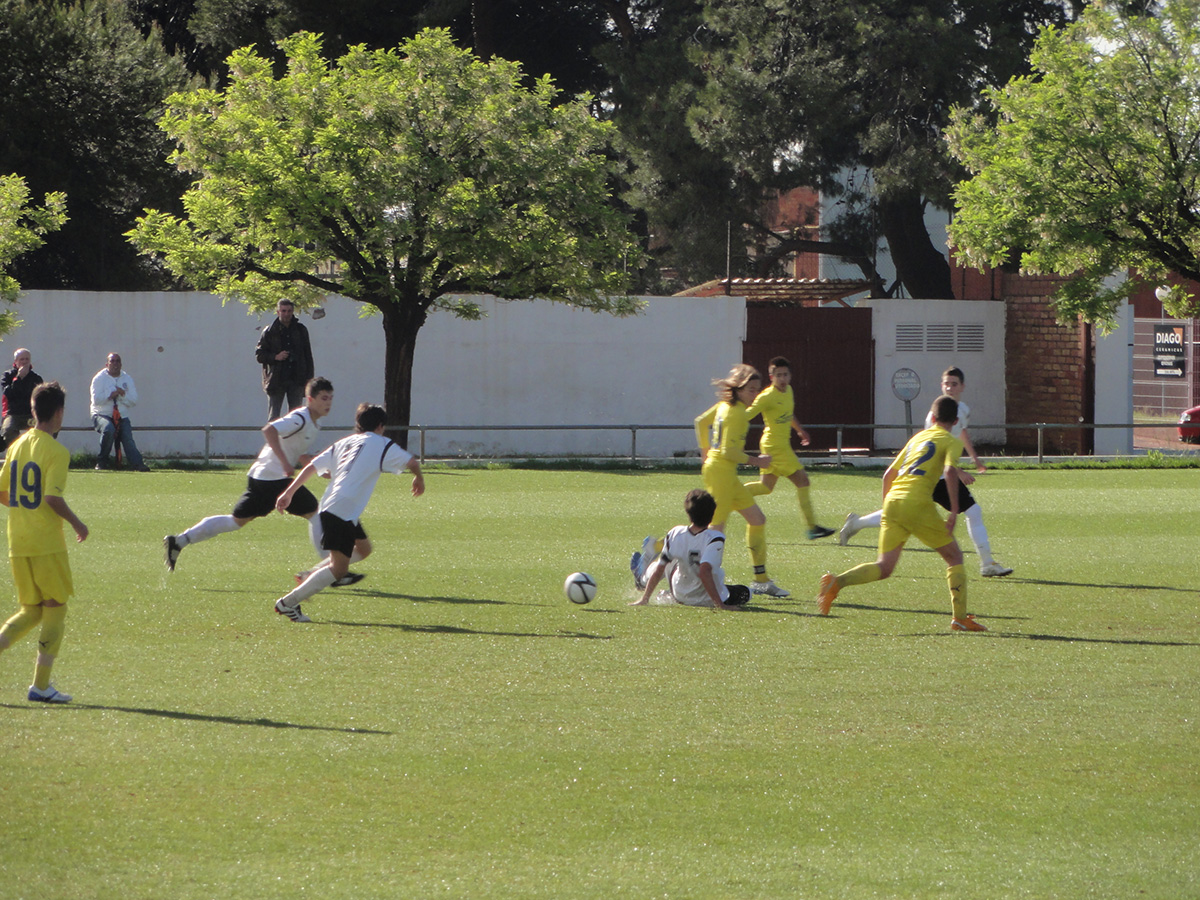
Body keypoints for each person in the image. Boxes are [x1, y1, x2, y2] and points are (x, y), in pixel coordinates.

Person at [816, 394, 987, 632]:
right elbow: (949, 472)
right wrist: (954, 511)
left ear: (933, 417)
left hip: (893, 501)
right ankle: (959, 619)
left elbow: (888, 475)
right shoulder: (951, 441)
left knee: (884, 567)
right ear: (956, 420)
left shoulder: (917, 439)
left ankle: (837, 582)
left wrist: (888, 508)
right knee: (955, 557)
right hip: (917, 504)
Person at [163, 377, 351, 578]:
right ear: (310, 399)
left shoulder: (313, 423)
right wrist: (285, 463)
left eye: (330, 398)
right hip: (273, 479)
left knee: (235, 521)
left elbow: (296, 451)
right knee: (314, 512)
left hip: (262, 478)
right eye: (324, 398)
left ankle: (180, 541)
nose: (328, 403)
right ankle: (330, 571)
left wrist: (317, 469)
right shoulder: (300, 418)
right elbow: (269, 430)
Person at [839, 366, 1012, 577]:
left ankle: (856, 523)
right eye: (946, 383)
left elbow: (961, 433)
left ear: (962, 387)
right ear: (941, 386)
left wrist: (974, 458)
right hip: (935, 476)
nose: (949, 387)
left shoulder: (962, 410)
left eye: (954, 383)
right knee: (970, 511)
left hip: (930, 476)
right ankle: (987, 564)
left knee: (903, 509)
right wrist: (958, 472)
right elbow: (936, 449)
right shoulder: (936, 413)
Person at [272, 402, 425, 623]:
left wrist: (289, 493)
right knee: (339, 569)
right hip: (341, 511)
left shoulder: (343, 443)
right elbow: (411, 461)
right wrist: (418, 477)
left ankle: (309, 575)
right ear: (381, 426)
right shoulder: (382, 443)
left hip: (337, 508)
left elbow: (312, 467)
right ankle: (288, 603)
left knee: (364, 549)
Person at [0, 382, 89, 702]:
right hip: (45, 543)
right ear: (60, 412)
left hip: (17, 541)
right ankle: (40, 686)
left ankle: (41, 685)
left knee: (32, 610)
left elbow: (2, 492)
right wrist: (78, 523)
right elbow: (52, 498)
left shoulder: (17, 445)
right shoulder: (56, 451)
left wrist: (25, 507)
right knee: (55, 609)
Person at [694, 363, 789, 597]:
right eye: (751, 389)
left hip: (724, 473)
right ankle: (662, 556)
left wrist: (705, 451)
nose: (755, 394)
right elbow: (728, 452)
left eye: (757, 390)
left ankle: (761, 580)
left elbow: (700, 422)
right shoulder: (737, 414)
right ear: (738, 389)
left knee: (757, 519)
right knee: (714, 530)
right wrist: (758, 462)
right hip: (721, 474)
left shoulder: (726, 406)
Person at [744, 356, 835, 540]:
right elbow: (746, 414)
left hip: (780, 445)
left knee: (765, 487)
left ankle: (732, 493)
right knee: (803, 481)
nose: (783, 379)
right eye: (778, 375)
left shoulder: (789, 391)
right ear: (771, 377)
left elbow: (789, 414)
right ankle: (811, 527)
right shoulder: (766, 396)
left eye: (785, 375)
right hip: (774, 447)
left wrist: (800, 430)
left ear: (790, 376)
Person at [630, 489, 750, 609]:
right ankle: (659, 589)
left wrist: (645, 598)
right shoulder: (715, 538)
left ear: (688, 513)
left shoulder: (675, 533)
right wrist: (720, 604)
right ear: (713, 513)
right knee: (746, 593)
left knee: (668, 560)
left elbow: (660, 568)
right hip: (705, 598)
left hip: (679, 594)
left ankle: (646, 581)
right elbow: (704, 571)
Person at [256, 299, 315, 421]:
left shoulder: (300, 330)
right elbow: (259, 355)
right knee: (274, 417)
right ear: (278, 312)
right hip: (276, 379)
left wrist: (309, 378)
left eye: (289, 311)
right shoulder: (269, 331)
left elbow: (308, 355)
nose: (287, 314)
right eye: (283, 311)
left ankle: (293, 440)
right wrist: (275, 357)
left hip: (296, 378)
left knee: (296, 417)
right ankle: (273, 440)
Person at [90, 352, 148, 471]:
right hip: (102, 414)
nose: (115, 364)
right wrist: (110, 395)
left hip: (121, 415)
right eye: (112, 361)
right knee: (108, 429)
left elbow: (133, 400)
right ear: (107, 364)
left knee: (127, 437)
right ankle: (102, 462)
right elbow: (96, 400)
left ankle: (137, 464)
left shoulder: (127, 378)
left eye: (118, 361)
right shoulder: (99, 379)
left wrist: (122, 395)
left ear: (121, 364)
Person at [0, 347, 44, 452]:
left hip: (30, 414)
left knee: (43, 430)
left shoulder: (36, 378)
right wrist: (19, 378)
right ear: (15, 361)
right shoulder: (7, 376)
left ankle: (34, 453)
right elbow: (9, 394)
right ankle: (17, 452)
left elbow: (40, 397)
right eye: (21, 359)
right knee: (8, 430)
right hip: (13, 414)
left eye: (27, 359)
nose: (24, 362)